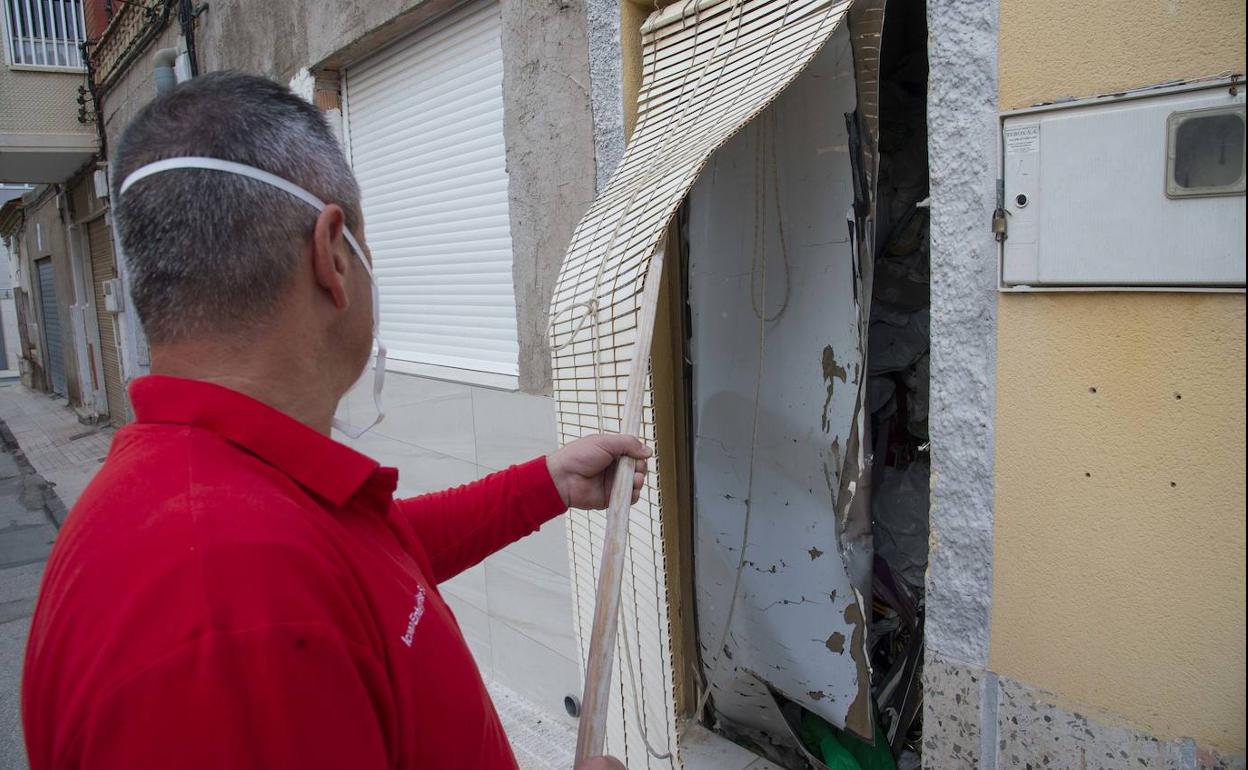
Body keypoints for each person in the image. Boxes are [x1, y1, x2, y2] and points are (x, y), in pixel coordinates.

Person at [21, 71, 639, 770]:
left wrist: (547, 482)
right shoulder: (232, 613)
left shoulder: (231, 492)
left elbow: (383, 560)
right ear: (333, 254)